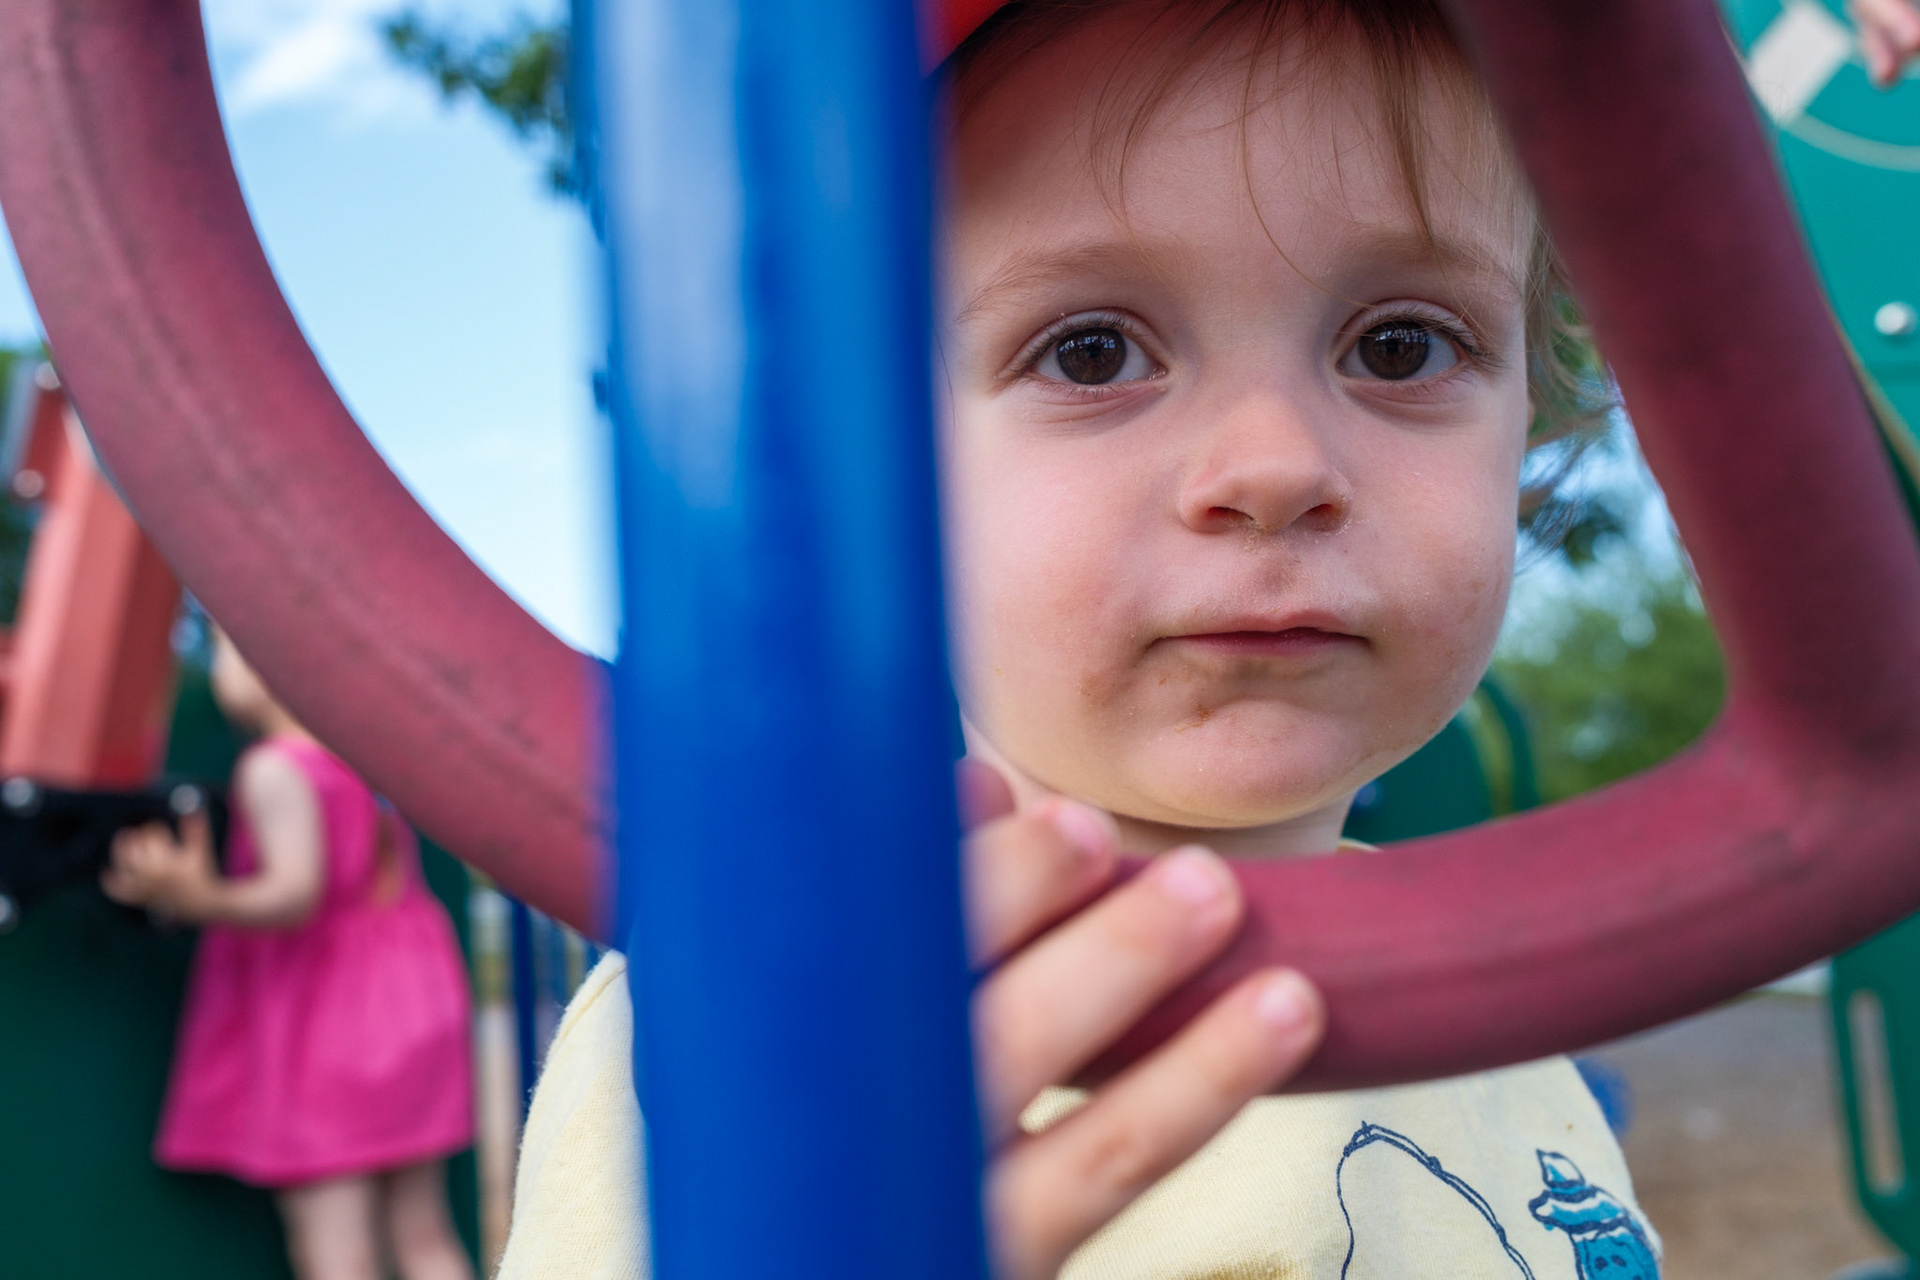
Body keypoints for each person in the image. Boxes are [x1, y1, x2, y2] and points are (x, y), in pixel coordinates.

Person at [498, 2, 1657, 1277]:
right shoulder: (762, 1017)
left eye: (1400, 344)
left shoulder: (1498, 990)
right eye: (1093, 349)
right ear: (876, 465)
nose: (1274, 465)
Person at [102, 629, 477, 1280]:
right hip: (411, 1011)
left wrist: (199, 897)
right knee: (422, 1235)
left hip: (329, 1029)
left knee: (334, 1247)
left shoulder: (276, 767)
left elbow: (295, 893)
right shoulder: (368, 766)